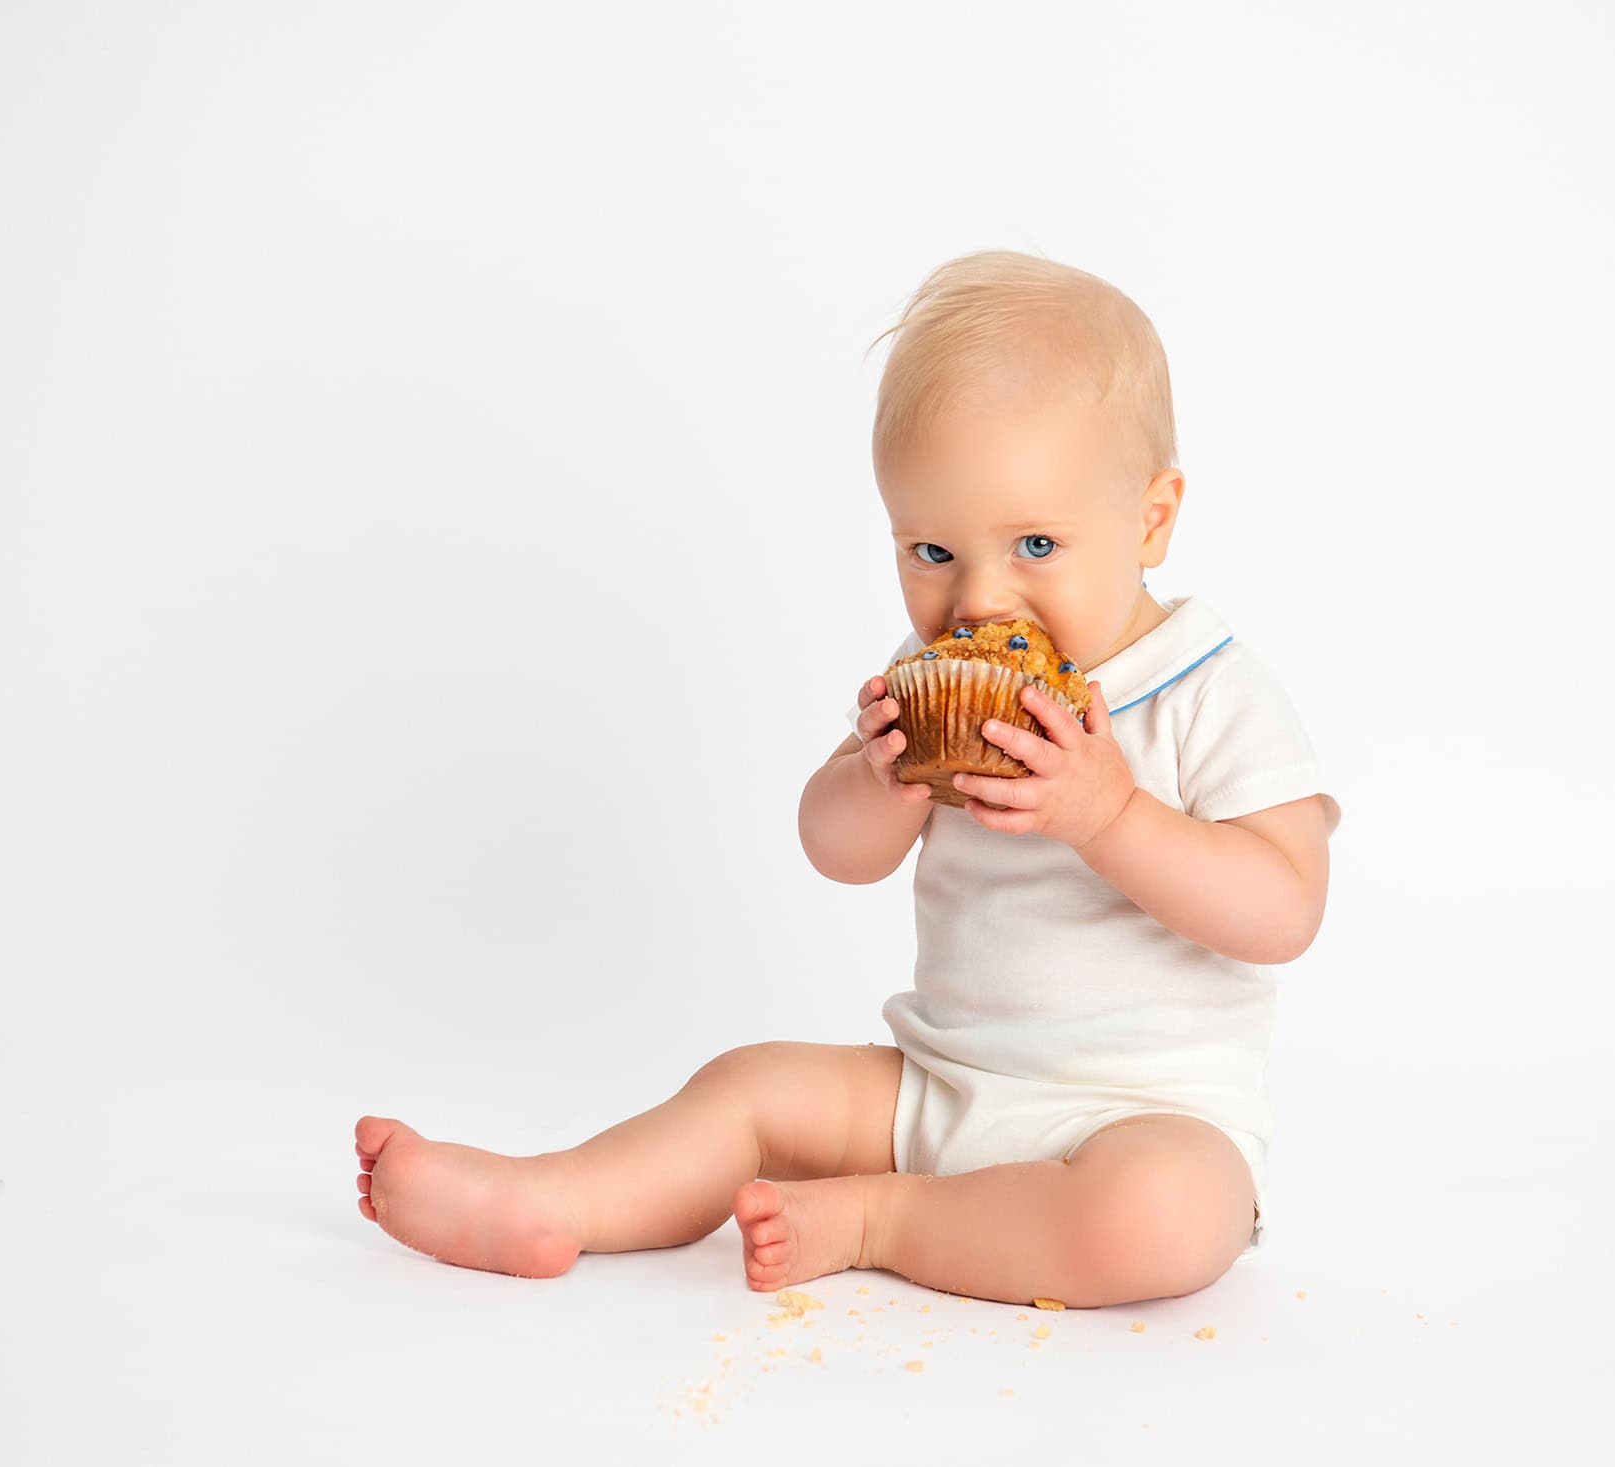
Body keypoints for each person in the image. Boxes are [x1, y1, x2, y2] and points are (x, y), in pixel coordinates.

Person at [352, 249, 1341, 1309]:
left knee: (1158, 1219)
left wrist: (1111, 816)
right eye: (929, 551)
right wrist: (879, 784)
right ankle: (555, 1195)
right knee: (749, 1087)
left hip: (1142, 1118)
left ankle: (878, 1217)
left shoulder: (1206, 688)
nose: (977, 599)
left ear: (1150, 518)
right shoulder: (928, 694)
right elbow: (834, 852)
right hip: (937, 1089)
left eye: (1035, 543)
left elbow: (1282, 908)